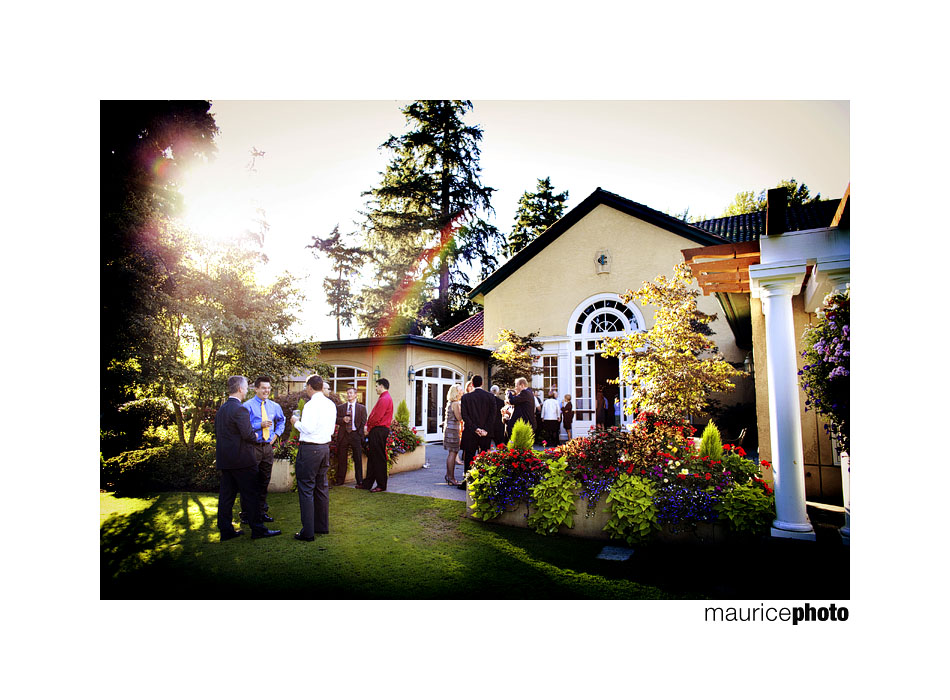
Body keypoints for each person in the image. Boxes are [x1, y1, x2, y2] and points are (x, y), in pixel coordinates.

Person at [214, 375, 281, 541]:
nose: (245, 391)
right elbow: (248, 435)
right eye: (245, 388)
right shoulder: (240, 409)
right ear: (239, 389)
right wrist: (258, 435)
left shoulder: (222, 409)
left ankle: (226, 530)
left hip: (226, 460)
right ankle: (258, 530)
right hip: (242, 460)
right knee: (252, 494)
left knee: (226, 497)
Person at [289, 374, 337, 541]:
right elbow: (330, 429)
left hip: (310, 449)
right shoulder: (331, 404)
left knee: (306, 489)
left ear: (309, 387)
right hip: (324, 448)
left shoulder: (310, 405)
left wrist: (295, 422)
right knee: (321, 487)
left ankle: (308, 532)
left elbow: (307, 428)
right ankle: (321, 526)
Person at [240, 375, 284, 525]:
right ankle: (246, 513)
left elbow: (282, 421)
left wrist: (276, 434)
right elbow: (242, 428)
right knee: (249, 481)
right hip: (252, 448)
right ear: (256, 388)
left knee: (264, 481)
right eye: (263, 388)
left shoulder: (274, 406)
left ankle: (261, 512)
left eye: (268, 388)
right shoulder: (247, 406)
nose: (266, 391)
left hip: (267, 448)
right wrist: (260, 425)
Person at [459, 374, 496, 488]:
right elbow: (493, 415)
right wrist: (485, 429)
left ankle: (467, 481)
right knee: (484, 456)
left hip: (471, 432)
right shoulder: (490, 397)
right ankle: (482, 480)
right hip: (484, 432)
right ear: (482, 383)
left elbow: (465, 416)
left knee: (469, 457)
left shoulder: (466, 397)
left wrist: (475, 429)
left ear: (472, 384)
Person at [361, 378, 393, 492]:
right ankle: (367, 483)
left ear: (381, 386)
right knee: (373, 457)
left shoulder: (384, 399)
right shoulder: (383, 398)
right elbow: (374, 415)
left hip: (379, 430)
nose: (375, 388)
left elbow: (376, 417)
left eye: (376, 386)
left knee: (378, 458)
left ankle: (381, 485)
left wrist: (368, 428)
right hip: (377, 430)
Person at [334, 386, 367, 486]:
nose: (349, 395)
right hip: (344, 435)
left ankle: (360, 481)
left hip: (355, 435)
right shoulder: (341, 407)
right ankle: (340, 481)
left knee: (357, 458)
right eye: (348, 393)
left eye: (351, 393)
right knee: (342, 458)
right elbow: (335, 419)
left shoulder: (361, 408)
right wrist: (342, 420)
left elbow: (363, 422)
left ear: (356, 395)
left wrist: (359, 434)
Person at [442, 383, 463, 485]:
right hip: (453, 431)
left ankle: (448, 476)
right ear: (456, 392)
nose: (462, 391)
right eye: (460, 390)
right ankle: (451, 477)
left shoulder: (450, 403)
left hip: (449, 429)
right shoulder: (455, 404)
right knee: (453, 453)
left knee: (452, 452)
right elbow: (459, 418)